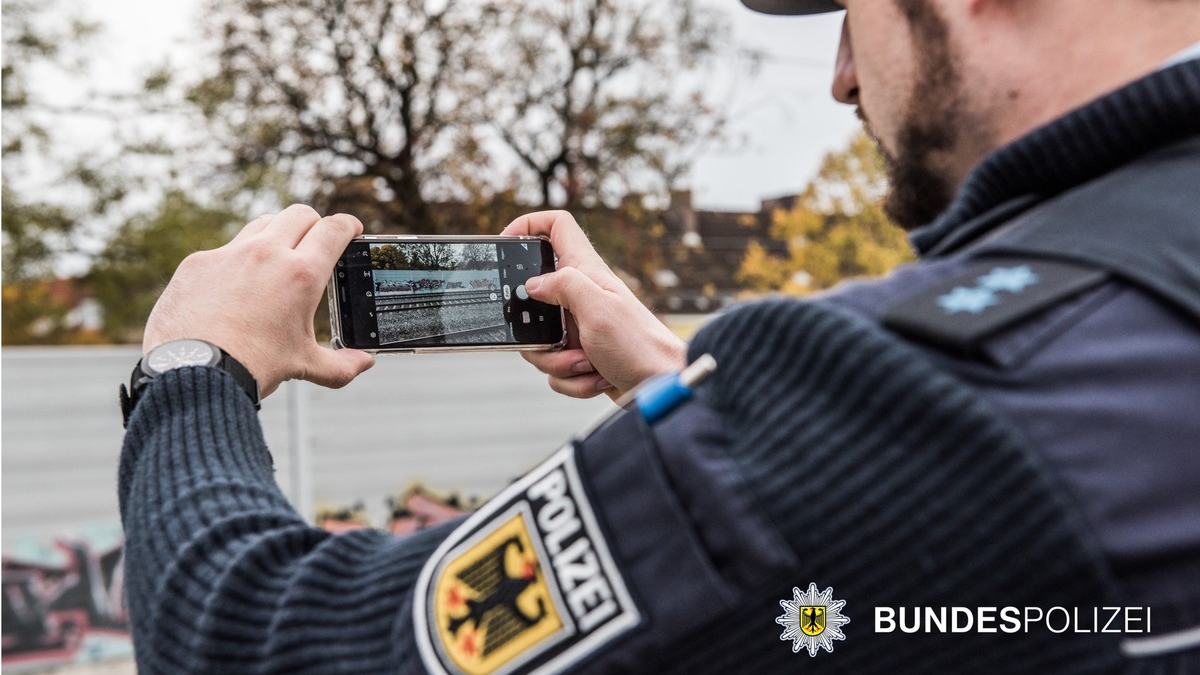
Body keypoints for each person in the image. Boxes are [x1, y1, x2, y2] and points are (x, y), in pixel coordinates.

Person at [118, 0, 1200, 673]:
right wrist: (688, 390)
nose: (843, 76)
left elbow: (264, 644)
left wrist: (194, 366)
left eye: (854, 8)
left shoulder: (927, 393)